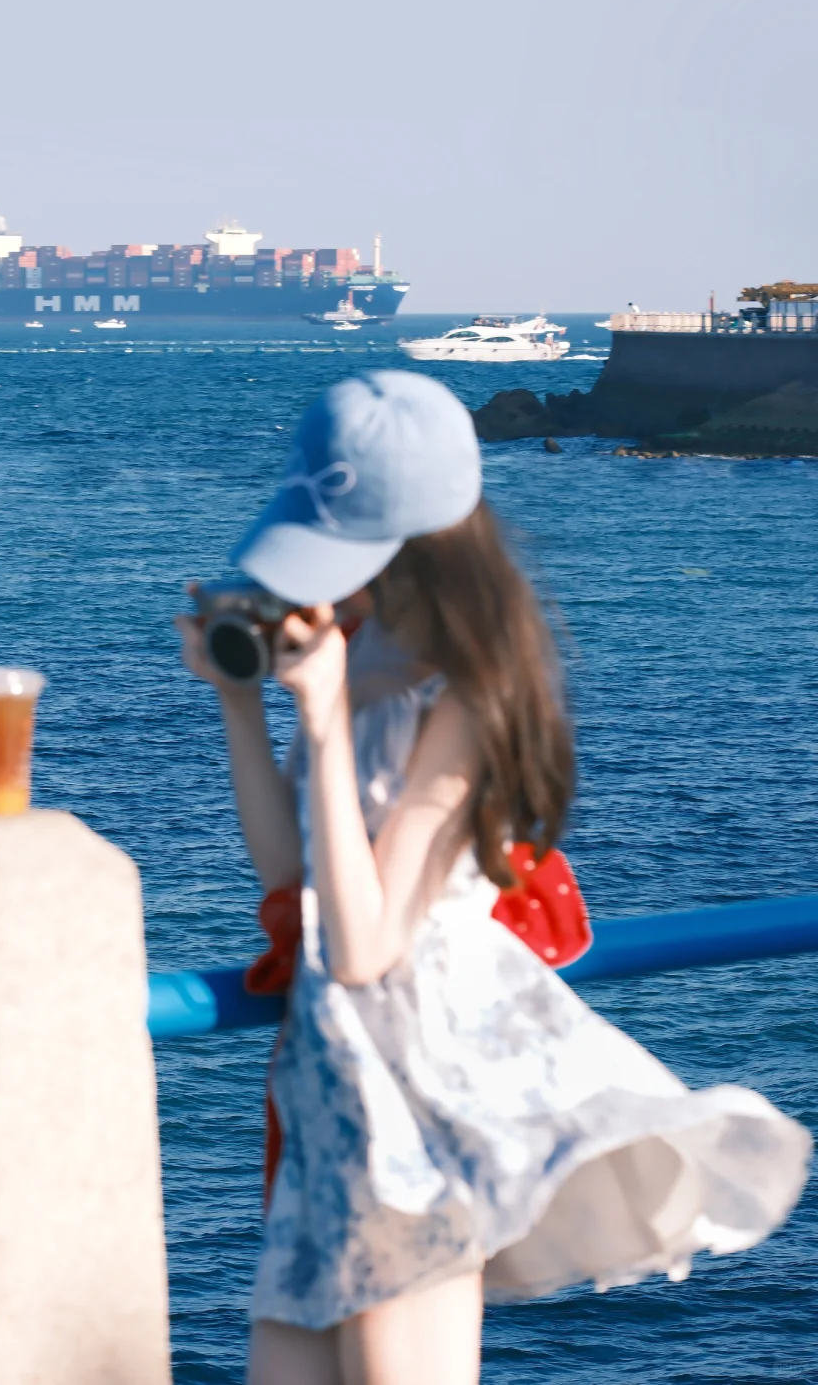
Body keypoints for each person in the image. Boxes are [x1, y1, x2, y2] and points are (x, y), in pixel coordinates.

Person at [175, 372, 810, 1385]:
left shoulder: (468, 695)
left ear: (417, 545)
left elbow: (365, 943)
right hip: (335, 1102)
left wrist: (327, 717)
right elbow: (294, 881)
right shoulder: (357, 653)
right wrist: (243, 708)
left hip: (419, 1104)